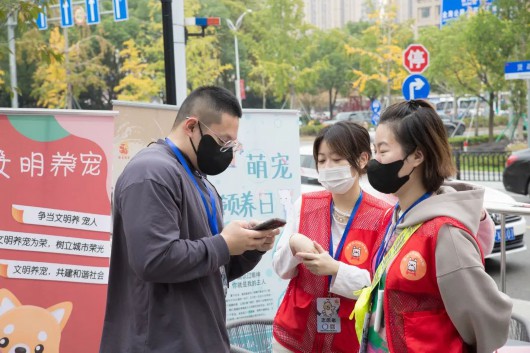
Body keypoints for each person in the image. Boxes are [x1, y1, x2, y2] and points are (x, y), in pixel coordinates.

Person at [99, 86, 280, 353]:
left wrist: (248, 248)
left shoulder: (199, 180)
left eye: (232, 145)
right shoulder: (152, 173)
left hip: (199, 338)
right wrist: (224, 244)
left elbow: (211, 268)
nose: (227, 152)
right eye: (223, 141)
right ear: (191, 126)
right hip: (162, 343)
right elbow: (154, 259)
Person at [354, 100, 512, 353]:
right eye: (375, 151)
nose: (375, 161)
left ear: (417, 155)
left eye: (383, 152)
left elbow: (487, 317)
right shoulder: (393, 218)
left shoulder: (445, 234)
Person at [272, 121, 392, 353]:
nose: (328, 167)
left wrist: (336, 269)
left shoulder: (382, 216)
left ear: (363, 159)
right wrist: (293, 243)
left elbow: (380, 288)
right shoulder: (305, 205)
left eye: (337, 160)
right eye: (322, 160)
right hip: (294, 336)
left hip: (348, 340)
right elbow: (281, 269)